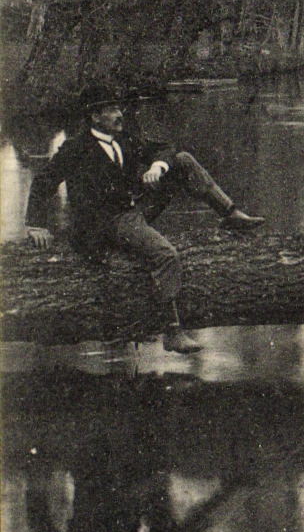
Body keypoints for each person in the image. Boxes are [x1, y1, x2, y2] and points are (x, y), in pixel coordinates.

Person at [23, 80, 264, 353]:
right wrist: (34, 225)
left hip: (129, 210)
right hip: (104, 225)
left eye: (118, 107)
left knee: (182, 160)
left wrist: (157, 168)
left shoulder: (123, 139)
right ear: (95, 116)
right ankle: (172, 331)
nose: (120, 114)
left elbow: (164, 149)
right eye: (112, 109)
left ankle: (229, 213)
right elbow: (43, 181)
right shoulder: (76, 148)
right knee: (166, 255)